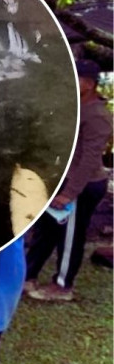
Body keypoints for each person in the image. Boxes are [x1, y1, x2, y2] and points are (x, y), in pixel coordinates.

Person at [25, 59, 112, 301]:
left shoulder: (97, 115)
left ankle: (63, 286)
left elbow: (89, 160)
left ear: (90, 84)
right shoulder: (75, 107)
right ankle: (28, 276)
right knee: (46, 231)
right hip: (62, 180)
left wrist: (70, 193)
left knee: (71, 236)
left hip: (82, 186)